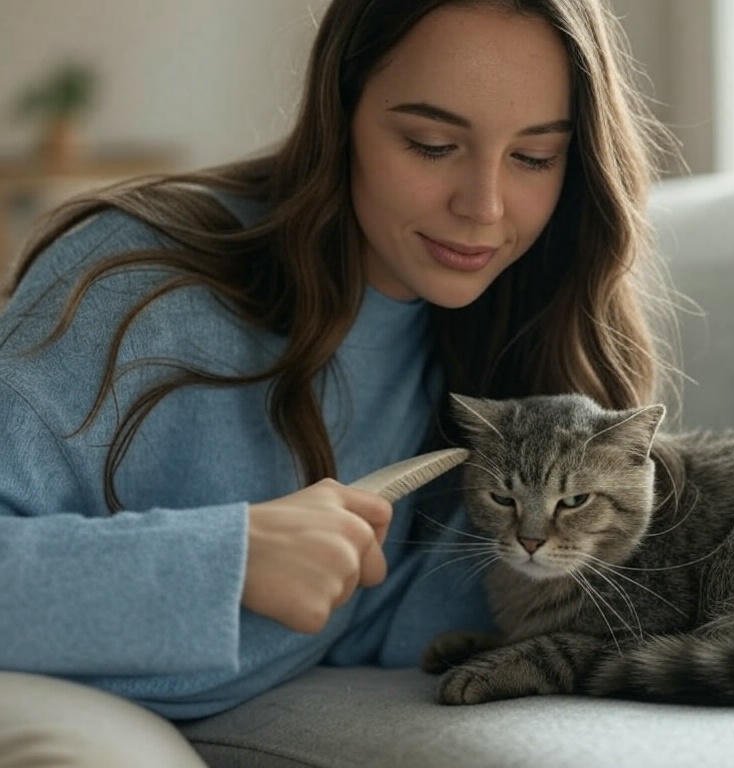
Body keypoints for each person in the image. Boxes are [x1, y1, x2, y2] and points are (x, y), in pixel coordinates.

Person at [0, 0, 677, 764]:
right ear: (341, 114)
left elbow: (401, 608)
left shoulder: (506, 347)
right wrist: (230, 560)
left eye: (533, 158)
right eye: (431, 144)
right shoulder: (134, 285)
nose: (483, 207)